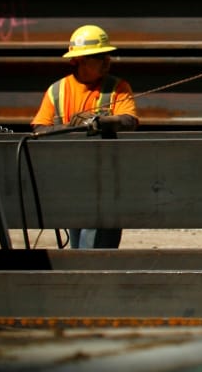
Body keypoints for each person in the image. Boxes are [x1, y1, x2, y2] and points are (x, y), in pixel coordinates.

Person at [30, 24, 138, 249]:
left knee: (96, 249)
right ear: (78, 61)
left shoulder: (117, 87)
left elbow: (129, 121)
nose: (107, 60)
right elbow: (39, 130)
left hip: (105, 184)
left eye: (107, 55)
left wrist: (99, 122)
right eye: (100, 56)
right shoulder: (57, 91)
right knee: (77, 248)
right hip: (71, 184)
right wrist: (70, 128)